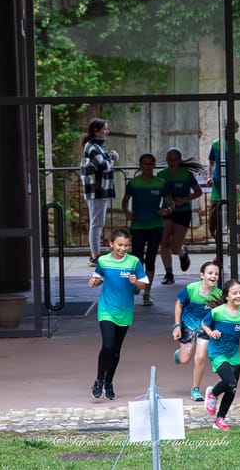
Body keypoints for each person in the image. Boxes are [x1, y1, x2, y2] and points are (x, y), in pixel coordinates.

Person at [87, 229, 149, 400]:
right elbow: (98, 277)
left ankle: (109, 382)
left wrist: (135, 282)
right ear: (111, 244)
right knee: (107, 345)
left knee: (115, 350)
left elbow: (144, 285)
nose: (123, 249)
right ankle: (99, 380)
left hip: (125, 311)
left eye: (126, 246)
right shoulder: (103, 260)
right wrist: (94, 282)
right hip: (106, 309)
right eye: (120, 245)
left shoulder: (134, 262)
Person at [201, 278, 240, 430]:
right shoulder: (217, 312)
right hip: (218, 353)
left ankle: (220, 420)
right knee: (230, 382)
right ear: (226, 296)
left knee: (232, 388)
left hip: (234, 355)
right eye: (235, 293)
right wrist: (211, 333)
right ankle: (213, 393)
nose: (239, 296)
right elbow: (205, 324)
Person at [121, 153, 170, 306]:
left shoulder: (161, 183)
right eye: (145, 164)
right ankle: (138, 284)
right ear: (140, 166)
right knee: (137, 259)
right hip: (138, 225)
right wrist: (127, 212)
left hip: (155, 225)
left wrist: (166, 210)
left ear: (154, 165)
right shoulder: (134, 183)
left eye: (150, 163)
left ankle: (147, 294)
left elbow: (170, 204)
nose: (148, 166)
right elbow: (125, 201)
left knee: (150, 259)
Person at [172, 261, 222, 401]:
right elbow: (179, 304)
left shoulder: (219, 295)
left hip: (205, 328)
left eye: (216, 274)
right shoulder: (191, 289)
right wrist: (176, 326)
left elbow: (220, 314)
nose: (213, 276)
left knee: (200, 358)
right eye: (210, 273)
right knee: (184, 360)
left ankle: (195, 389)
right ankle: (179, 355)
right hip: (188, 325)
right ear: (202, 275)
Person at [157, 147, 203, 284]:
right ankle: (169, 274)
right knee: (163, 243)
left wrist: (184, 200)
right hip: (167, 211)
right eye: (169, 159)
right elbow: (157, 192)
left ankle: (182, 252)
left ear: (179, 160)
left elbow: (198, 192)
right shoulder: (161, 174)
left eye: (175, 160)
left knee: (175, 248)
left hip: (183, 212)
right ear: (166, 160)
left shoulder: (186, 175)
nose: (172, 162)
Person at [81, 118, 119, 267]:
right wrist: (113, 158)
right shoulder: (92, 146)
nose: (107, 132)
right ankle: (94, 256)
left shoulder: (97, 146)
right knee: (96, 224)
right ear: (96, 130)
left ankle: (95, 254)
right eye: (104, 129)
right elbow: (103, 165)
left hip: (100, 190)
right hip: (96, 190)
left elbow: (103, 160)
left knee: (98, 223)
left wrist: (109, 156)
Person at [207, 120, 240, 241]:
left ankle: (230, 246)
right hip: (218, 185)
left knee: (230, 217)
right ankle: (216, 240)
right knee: (214, 215)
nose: (227, 130)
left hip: (232, 185)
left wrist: (238, 183)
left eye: (231, 128)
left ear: (236, 130)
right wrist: (209, 177)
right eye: (226, 128)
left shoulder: (238, 145)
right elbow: (211, 162)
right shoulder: (216, 143)